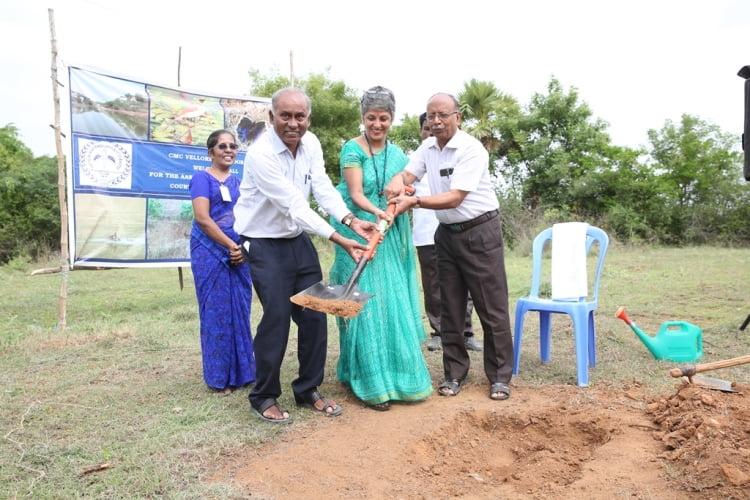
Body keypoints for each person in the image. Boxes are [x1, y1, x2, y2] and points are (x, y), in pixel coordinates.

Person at [234, 87, 378, 424]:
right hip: (263, 241)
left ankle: (307, 389)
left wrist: (351, 219)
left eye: (300, 116)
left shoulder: (310, 143)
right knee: (278, 317)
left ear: (308, 119)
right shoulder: (260, 155)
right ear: (271, 118)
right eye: (285, 115)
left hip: (296, 240)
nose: (293, 123)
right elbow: (294, 205)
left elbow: (323, 187)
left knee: (315, 315)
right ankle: (264, 396)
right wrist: (340, 238)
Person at [386, 93, 514, 401]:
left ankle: (499, 377)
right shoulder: (428, 147)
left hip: (480, 232)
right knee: (450, 308)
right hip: (446, 234)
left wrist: (413, 200)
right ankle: (454, 373)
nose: (436, 121)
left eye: (443, 115)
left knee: (491, 307)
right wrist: (396, 180)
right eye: (431, 116)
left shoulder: (471, 149)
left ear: (457, 117)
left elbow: (456, 197)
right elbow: (409, 173)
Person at [329, 86, 432, 411]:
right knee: (364, 306)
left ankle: (401, 379)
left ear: (392, 118)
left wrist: (404, 192)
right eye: (371, 118)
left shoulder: (400, 155)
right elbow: (357, 194)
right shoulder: (351, 149)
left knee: (393, 306)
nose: (377, 124)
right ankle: (369, 382)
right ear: (363, 118)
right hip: (360, 234)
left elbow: (409, 184)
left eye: (383, 118)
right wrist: (378, 214)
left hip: (390, 240)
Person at [189, 129, 255, 395]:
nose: (228, 150)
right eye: (222, 146)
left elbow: (250, 216)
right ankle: (219, 377)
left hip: (240, 254)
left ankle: (243, 373)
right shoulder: (201, 179)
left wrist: (243, 248)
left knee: (240, 310)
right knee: (216, 311)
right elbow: (203, 219)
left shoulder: (240, 183)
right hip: (210, 253)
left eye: (232, 146)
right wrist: (230, 245)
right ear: (211, 152)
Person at [412, 113, 481, 353]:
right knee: (433, 286)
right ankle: (439, 332)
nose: (431, 132)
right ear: (421, 132)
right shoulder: (417, 158)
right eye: (426, 129)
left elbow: (458, 196)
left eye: (435, 127)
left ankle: (467, 332)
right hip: (425, 233)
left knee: (466, 285)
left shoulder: (460, 153)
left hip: (456, 228)